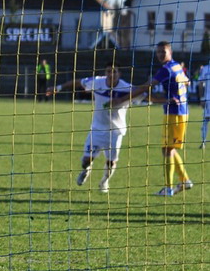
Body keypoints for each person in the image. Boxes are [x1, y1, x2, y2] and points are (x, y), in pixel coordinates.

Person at [46, 65, 145, 193]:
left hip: (116, 132)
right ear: (105, 72)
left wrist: (167, 100)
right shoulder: (97, 82)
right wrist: (58, 88)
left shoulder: (127, 88)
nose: (111, 74)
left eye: (114, 72)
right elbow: (78, 82)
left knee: (111, 162)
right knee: (86, 160)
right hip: (97, 129)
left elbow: (145, 95)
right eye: (108, 71)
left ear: (119, 74)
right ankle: (86, 170)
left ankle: (104, 181)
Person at [113, 41, 192, 196]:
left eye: (163, 51)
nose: (161, 54)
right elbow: (188, 82)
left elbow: (146, 87)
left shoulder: (166, 69)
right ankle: (184, 180)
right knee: (170, 149)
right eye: (158, 52)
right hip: (181, 111)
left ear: (170, 52)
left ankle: (168, 188)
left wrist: (122, 99)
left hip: (174, 113)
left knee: (166, 149)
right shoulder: (176, 66)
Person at [198, 61, 210, 149]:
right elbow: (201, 84)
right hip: (207, 100)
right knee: (205, 120)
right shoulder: (206, 69)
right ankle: (203, 142)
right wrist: (202, 98)